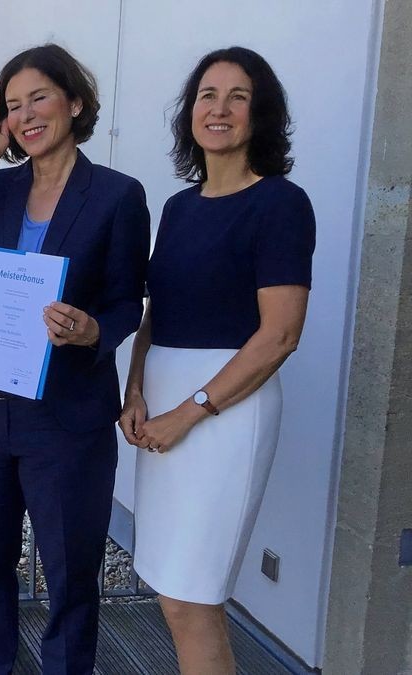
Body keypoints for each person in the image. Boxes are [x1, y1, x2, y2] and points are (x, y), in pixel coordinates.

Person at [0, 44, 150, 674]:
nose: (26, 115)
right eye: (13, 104)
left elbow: (128, 301)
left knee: (72, 573)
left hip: (66, 418)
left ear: (75, 103)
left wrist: (91, 331)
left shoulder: (116, 195)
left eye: (39, 98)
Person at [119, 47, 314, 674]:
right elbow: (158, 312)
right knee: (171, 590)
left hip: (226, 411)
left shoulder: (280, 204)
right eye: (207, 94)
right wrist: (136, 390)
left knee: (191, 597)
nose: (220, 108)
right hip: (168, 400)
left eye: (238, 96)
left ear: (262, 115)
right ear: (190, 112)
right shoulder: (179, 208)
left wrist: (192, 410)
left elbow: (280, 336)